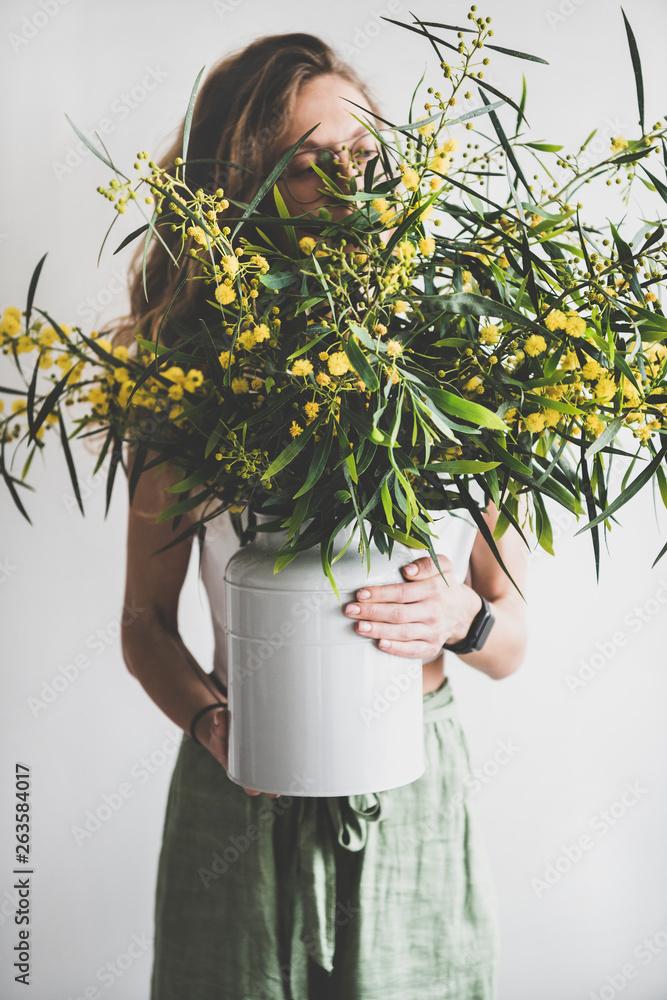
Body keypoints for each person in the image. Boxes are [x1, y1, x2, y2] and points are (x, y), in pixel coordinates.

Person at [117, 32, 529, 1000]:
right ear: (242, 187)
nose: (352, 185)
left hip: (414, 783)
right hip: (245, 779)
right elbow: (142, 622)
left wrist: (459, 621)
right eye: (311, 165)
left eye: (366, 157)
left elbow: (510, 637)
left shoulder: (459, 376)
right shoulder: (185, 392)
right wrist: (212, 721)